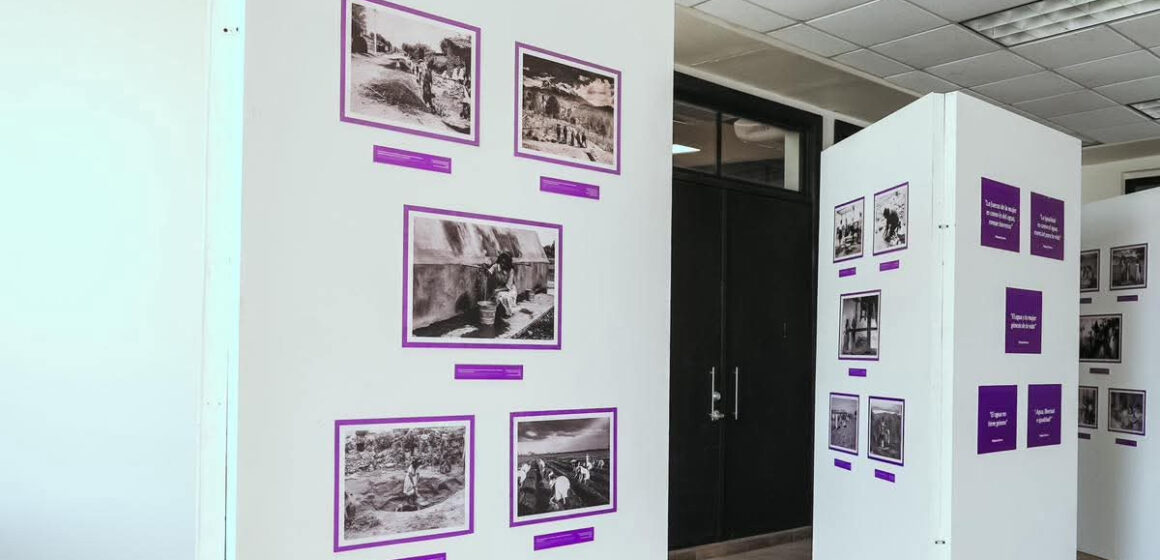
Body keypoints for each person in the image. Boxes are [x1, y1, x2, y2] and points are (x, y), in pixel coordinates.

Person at [486, 252, 517, 318]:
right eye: (501, 262)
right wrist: (486, 269)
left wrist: (497, 290)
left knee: (503, 297)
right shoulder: (496, 266)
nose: (502, 264)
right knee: (493, 298)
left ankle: (507, 312)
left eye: (505, 263)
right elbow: (489, 272)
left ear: (508, 263)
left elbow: (508, 287)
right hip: (499, 287)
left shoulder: (511, 270)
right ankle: (497, 312)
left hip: (510, 290)